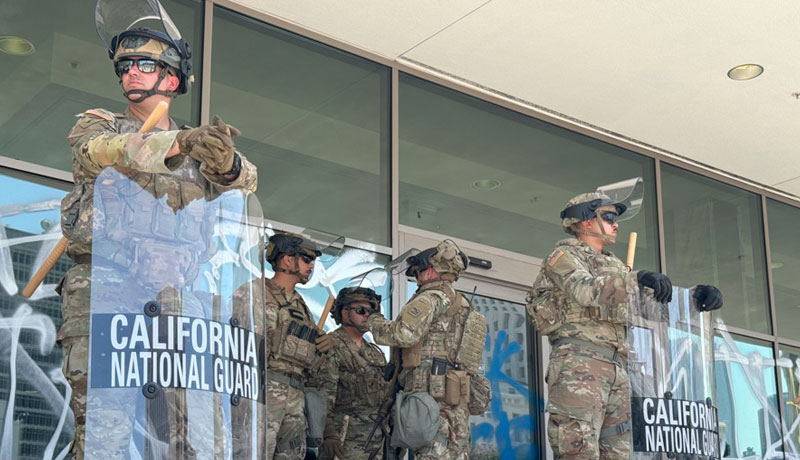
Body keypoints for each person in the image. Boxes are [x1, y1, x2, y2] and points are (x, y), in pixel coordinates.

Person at [57, 22, 257, 459]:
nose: (131, 72)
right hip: (109, 295)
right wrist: (177, 142)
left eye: (144, 65)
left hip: (180, 302)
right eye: (125, 66)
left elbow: (247, 181)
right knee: (103, 436)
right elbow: (102, 152)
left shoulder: (196, 146)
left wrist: (226, 163)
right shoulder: (100, 126)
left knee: (195, 434)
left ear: (171, 79)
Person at [527, 192, 723, 459]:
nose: (616, 223)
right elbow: (585, 290)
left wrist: (694, 300)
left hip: (619, 368)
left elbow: (651, 309)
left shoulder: (615, 266)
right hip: (580, 362)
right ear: (585, 221)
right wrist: (635, 279)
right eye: (608, 217)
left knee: (619, 451)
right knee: (579, 448)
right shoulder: (563, 255)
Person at [366, 240, 488, 460]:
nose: (417, 279)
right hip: (454, 400)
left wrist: (374, 322)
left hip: (430, 398)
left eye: (418, 273)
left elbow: (404, 333)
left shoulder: (431, 297)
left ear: (431, 270)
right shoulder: (463, 306)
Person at [233, 232, 333, 460]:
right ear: (288, 260)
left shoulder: (301, 306)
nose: (311, 267)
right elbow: (238, 350)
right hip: (261, 394)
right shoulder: (253, 293)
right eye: (307, 260)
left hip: (295, 399)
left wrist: (322, 349)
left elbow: (309, 364)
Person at [311, 287, 389, 460]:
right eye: (361, 310)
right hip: (345, 441)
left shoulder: (374, 353)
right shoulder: (331, 345)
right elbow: (322, 395)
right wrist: (329, 434)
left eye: (371, 311)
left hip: (376, 441)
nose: (367, 315)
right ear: (344, 313)